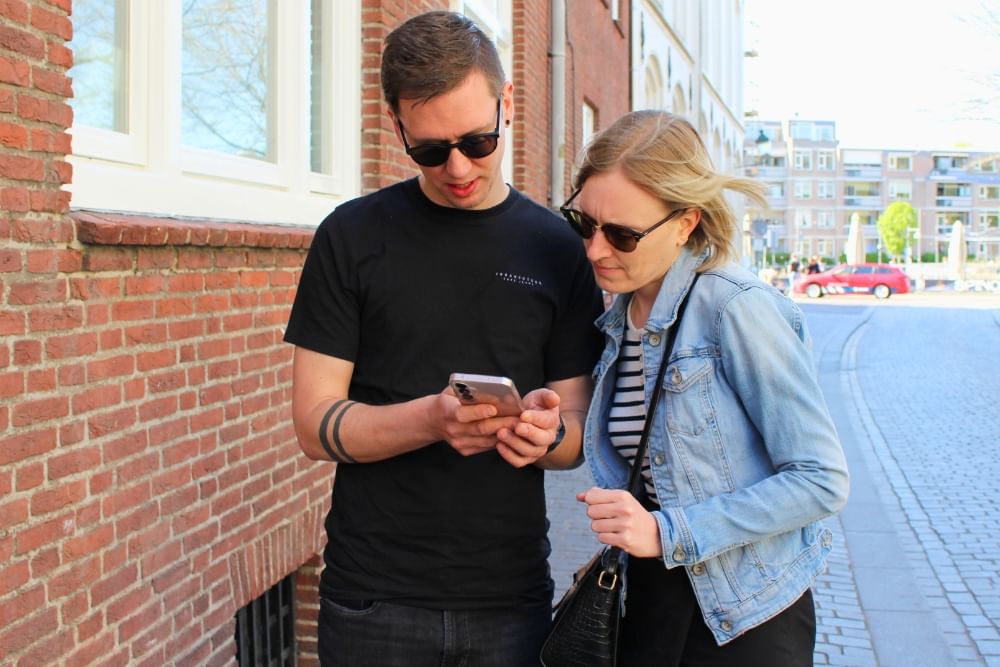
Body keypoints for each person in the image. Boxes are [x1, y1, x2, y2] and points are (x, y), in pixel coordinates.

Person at [283, 10, 604, 667]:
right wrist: (432, 419)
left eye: (477, 141)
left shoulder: (558, 249)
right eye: (429, 149)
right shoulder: (351, 237)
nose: (457, 166)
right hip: (372, 600)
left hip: (509, 599)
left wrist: (546, 435)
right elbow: (314, 425)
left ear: (506, 102)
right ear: (397, 127)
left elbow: (574, 433)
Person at [559, 110, 849, 666]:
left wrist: (669, 532)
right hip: (647, 603)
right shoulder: (619, 319)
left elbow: (821, 480)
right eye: (583, 224)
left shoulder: (734, 308)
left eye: (621, 234)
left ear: (686, 222)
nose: (595, 250)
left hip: (743, 617)